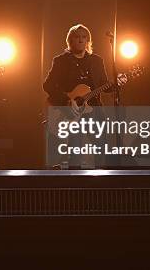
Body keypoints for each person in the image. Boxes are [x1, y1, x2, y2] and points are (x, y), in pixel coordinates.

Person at [43, 24, 127, 168]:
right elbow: (48, 85)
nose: (81, 40)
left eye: (84, 37)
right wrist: (67, 100)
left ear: (88, 41)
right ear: (70, 41)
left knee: (102, 147)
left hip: (94, 110)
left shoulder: (96, 61)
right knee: (76, 149)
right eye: (77, 37)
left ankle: (100, 181)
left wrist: (116, 83)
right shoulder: (61, 61)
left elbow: (104, 85)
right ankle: (75, 184)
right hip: (71, 112)